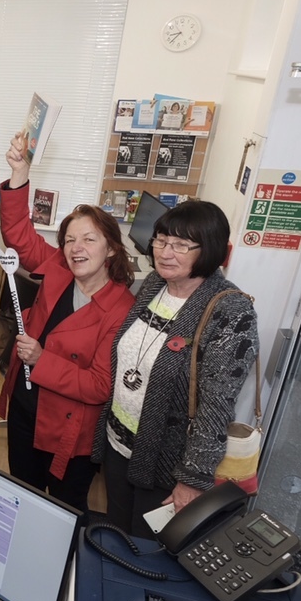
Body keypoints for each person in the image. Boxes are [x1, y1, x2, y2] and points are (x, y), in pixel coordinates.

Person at [93, 200, 259, 537]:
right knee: (117, 535)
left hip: (168, 464)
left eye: (181, 245)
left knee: (148, 551)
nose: (166, 252)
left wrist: (192, 480)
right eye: (161, 240)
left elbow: (216, 405)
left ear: (210, 250)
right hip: (120, 443)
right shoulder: (155, 284)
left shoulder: (231, 310)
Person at [0, 136, 135, 512]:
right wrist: (20, 173)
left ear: (112, 248)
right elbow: (20, 236)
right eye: (70, 239)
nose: (76, 248)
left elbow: (99, 385)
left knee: (63, 510)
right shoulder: (58, 269)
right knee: (20, 497)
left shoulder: (122, 308)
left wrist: (42, 360)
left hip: (69, 433)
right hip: (25, 408)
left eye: (89, 239)